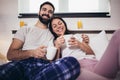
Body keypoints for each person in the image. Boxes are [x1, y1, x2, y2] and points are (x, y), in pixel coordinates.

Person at [0, 2, 80, 80]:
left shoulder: (54, 34)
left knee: (72, 62)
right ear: (39, 12)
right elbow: (10, 55)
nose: (46, 13)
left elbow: (55, 59)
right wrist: (32, 52)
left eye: (50, 12)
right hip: (22, 63)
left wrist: (83, 41)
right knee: (3, 71)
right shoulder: (25, 29)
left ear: (52, 16)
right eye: (44, 10)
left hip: (44, 66)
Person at [48, 16, 120, 80]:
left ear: (64, 24)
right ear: (53, 30)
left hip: (94, 63)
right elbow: (54, 66)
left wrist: (80, 44)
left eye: (60, 23)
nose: (58, 26)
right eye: (55, 26)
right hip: (77, 67)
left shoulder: (77, 36)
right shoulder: (54, 42)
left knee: (118, 34)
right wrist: (57, 46)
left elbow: (91, 53)